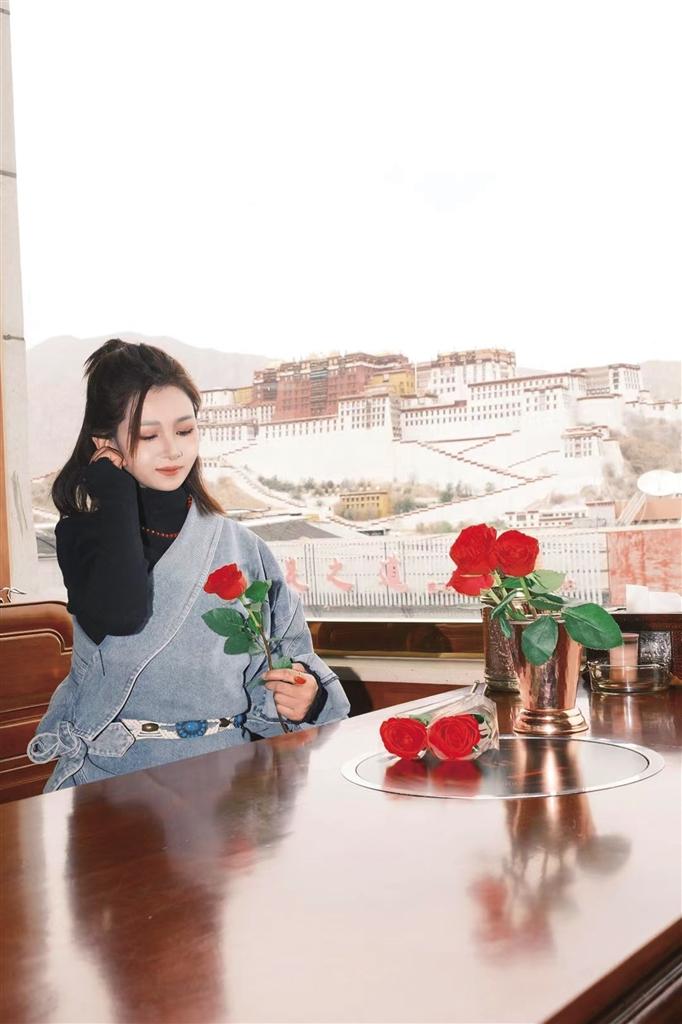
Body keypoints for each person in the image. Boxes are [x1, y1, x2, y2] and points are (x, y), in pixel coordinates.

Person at [27, 339, 350, 790]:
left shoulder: (244, 547)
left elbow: (289, 660)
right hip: (113, 782)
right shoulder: (83, 536)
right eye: (148, 436)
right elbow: (123, 614)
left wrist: (305, 697)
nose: (173, 450)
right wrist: (113, 490)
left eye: (184, 431)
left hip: (230, 781)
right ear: (105, 444)